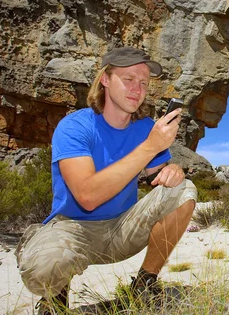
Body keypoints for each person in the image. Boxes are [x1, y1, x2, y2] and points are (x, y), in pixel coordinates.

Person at [15, 47, 197, 314]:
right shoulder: (75, 126)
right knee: (42, 270)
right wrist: (149, 147)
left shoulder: (146, 128)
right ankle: (56, 296)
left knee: (183, 191)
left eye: (144, 83)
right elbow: (87, 197)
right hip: (74, 229)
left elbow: (158, 177)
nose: (138, 88)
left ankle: (145, 284)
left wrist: (173, 172)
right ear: (105, 80)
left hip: (121, 229)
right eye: (129, 79)